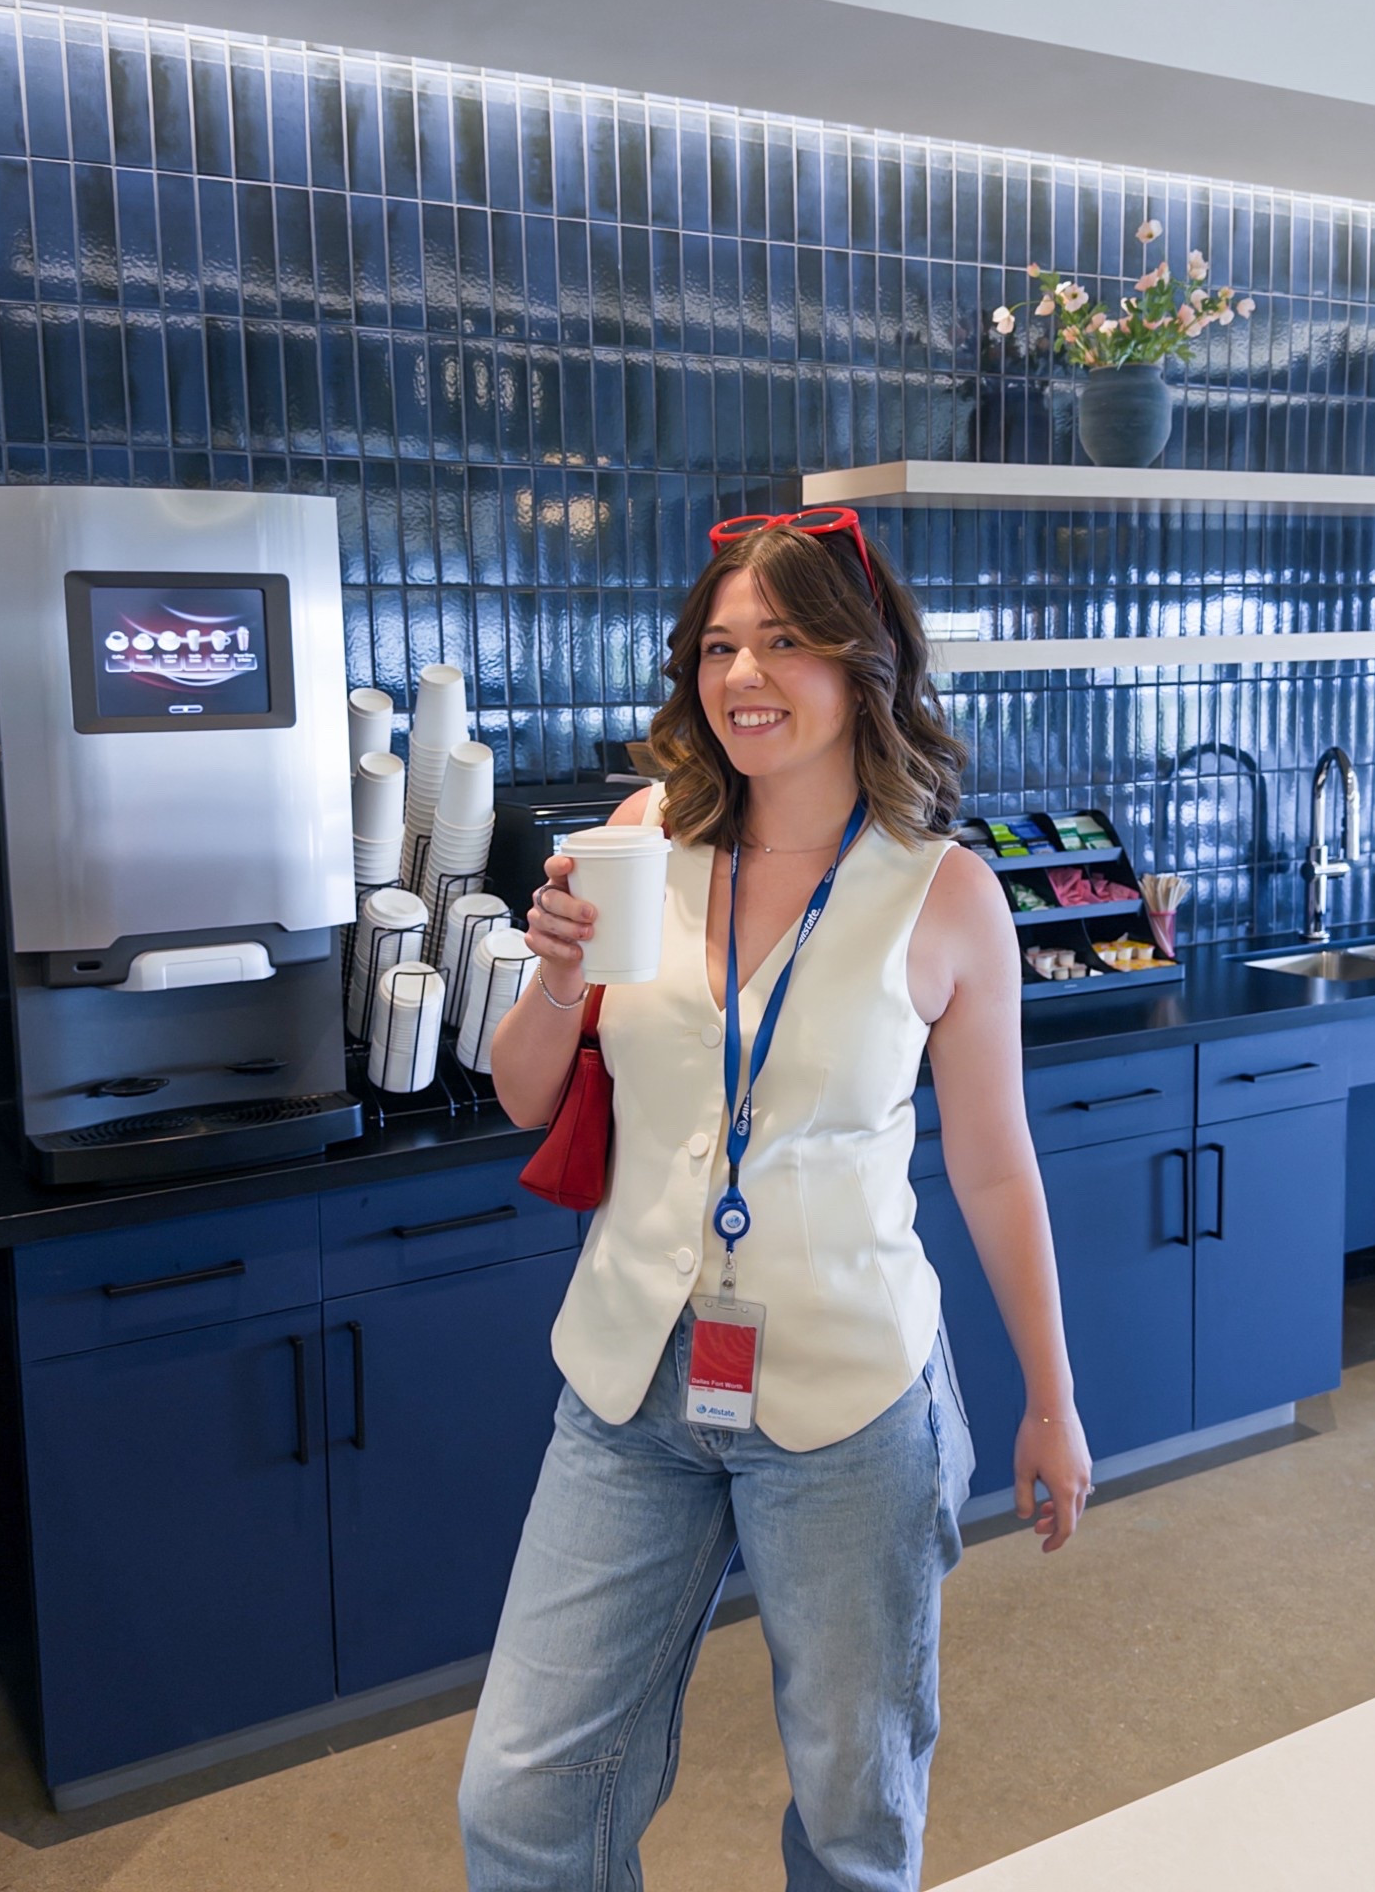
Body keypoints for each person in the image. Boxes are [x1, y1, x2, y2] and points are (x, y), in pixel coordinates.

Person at [459, 508, 1092, 1892]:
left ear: (864, 663)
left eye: (786, 642)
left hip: (855, 1398)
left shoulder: (945, 894)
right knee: (521, 1797)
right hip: (630, 1381)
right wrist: (554, 976)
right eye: (720, 646)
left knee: (852, 1817)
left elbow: (994, 1164)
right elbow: (521, 1097)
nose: (743, 676)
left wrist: (1050, 1398)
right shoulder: (642, 838)